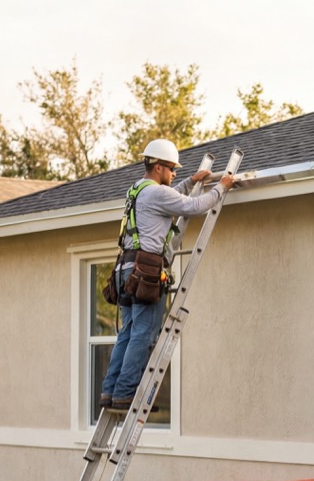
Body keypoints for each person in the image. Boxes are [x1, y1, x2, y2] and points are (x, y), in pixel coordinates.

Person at [100, 138, 235, 411]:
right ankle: (126, 393)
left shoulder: (136, 189)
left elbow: (169, 196)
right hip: (145, 272)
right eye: (171, 169)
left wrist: (190, 180)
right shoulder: (158, 194)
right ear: (159, 167)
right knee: (143, 333)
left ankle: (110, 391)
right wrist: (221, 187)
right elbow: (194, 207)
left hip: (125, 271)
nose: (173, 173)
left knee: (127, 333)